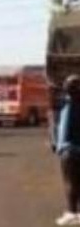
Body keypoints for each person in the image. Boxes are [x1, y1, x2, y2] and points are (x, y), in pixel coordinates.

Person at [52, 75, 80, 226]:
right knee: (78, 183)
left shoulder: (69, 106)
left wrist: (59, 146)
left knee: (70, 183)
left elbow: (64, 131)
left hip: (69, 151)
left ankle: (72, 213)